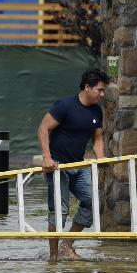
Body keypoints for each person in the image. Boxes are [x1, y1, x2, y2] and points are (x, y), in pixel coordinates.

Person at [37, 68, 108, 262]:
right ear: (87, 87)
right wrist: (46, 157)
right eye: (99, 90)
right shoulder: (65, 105)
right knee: (60, 210)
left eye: (103, 90)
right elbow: (43, 129)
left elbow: (98, 139)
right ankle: (53, 258)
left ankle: (66, 245)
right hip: (58, 166)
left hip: (79, 165)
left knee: (93, 202)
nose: (102, 94)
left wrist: (101, 158)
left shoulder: (96, 111)